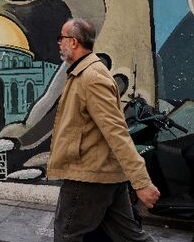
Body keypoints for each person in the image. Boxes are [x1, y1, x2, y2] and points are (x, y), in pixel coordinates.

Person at [50, 18, 160, 242]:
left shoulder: (91, 77)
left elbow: (117, 132)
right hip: (104, 173)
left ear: (73, 42)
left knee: (66, 235)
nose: (58, 43)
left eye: (61, 38)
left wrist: (142, 182)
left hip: (89, 175)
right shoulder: (83, 73)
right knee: (128, 236)